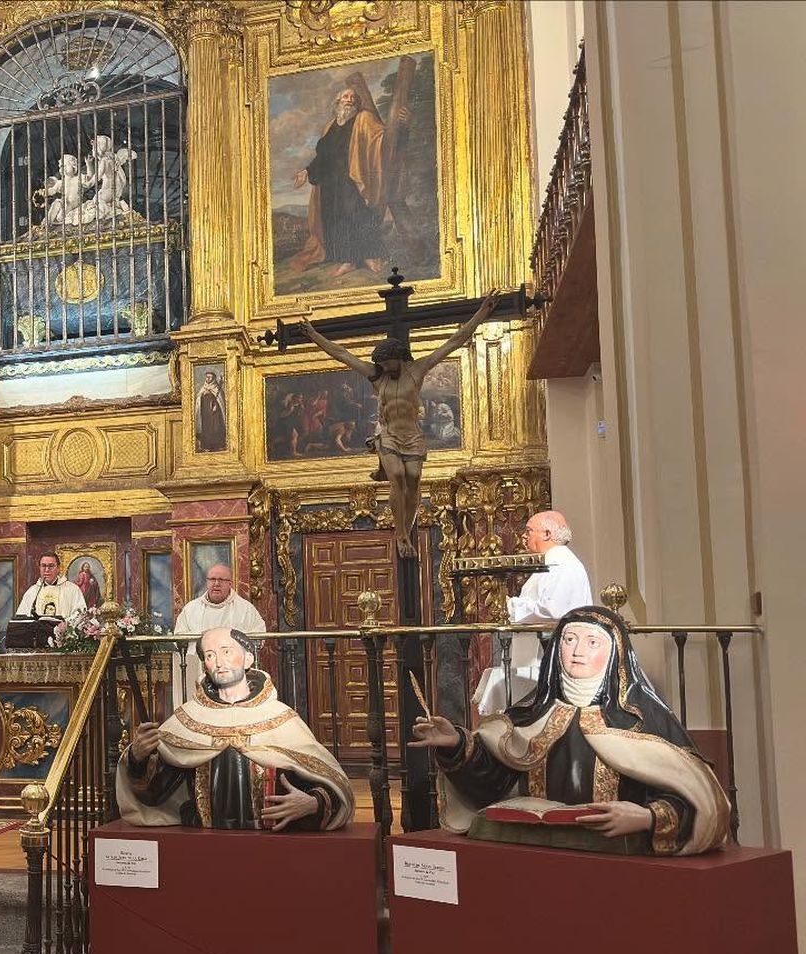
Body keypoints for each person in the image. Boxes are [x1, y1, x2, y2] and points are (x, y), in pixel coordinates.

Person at [411, 607, 730, 856]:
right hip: (532, 856)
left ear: (615, 654)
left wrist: (647, 817)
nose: (578, 651)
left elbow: (701, 801)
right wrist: (455, 744)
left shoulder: (645, 723)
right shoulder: (529, 716)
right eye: (569, 640)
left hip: (618, 863)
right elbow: (491, 783)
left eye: (593, 643)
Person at [301, 292, 496, 559]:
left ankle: (407, 526)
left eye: (387, 362)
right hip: (389, 435)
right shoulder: (377, 377)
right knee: (399, 478)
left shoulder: (417, 370)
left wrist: (482, 313)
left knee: (414, 481)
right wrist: (313, 334)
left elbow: (454, 341)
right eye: (380, 362)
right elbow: (341, 354)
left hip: (412, 436)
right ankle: (401, 534)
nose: (383, 366)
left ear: (399, 357)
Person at [117, 628, 353, 831]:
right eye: (210, 655)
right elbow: (154, 792)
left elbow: (329, 782)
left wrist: (313, 803)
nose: (219, 662)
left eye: (226, 651)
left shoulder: (281, 718)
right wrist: (138, 757)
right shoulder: (186, 720)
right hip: (204, 844)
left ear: (248, 659)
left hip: (272, 845)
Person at [473, 510, 593, 715]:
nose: (524, 536)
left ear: (547, 534)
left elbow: (553, 609)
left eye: (529, 531)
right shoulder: (551, 562)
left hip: (549, 652)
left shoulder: (562, 564)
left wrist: (510, 607)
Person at [290, 78, 388, 277]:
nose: (349, 100)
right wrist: (306, 171)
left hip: (352, 178)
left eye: (353, 97)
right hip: (330, 183)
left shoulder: (363, 118)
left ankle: (370, 255)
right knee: (335, 219)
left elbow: (381, 137)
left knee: (358, 214)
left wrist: (398, 126)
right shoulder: (330, 126)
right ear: (338, 102)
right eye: (345, 96)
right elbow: (323, 156)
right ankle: (347, 260)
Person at [172, 564, 268, 705]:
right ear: (207, 582)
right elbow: (178, 638)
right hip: (198, 669)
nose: (216, 584)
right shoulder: (191, 609)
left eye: (221, 580)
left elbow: (259, 637)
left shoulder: (245, 609)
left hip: (234, 675)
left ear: (230, 583)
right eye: (212, 579)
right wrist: (201, 638)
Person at [15, 553, 83, 622]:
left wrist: (63, 625)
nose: (47, 570)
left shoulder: (72, 590)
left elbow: (80, 615)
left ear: (58, 568)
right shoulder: (32, 592)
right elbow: (21, 618)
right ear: (39, 568)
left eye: (51, 566)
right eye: (43, 566)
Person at [195, 371, 227, 452]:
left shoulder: (216, 388)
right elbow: (198, 400)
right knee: (206, 429)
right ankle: (206, 446)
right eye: (207, 377)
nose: (208, 379)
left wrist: (216, 406)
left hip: (215, 413)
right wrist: (202, 395)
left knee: (216, 428)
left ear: (213, 378)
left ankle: (218, 445)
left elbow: (220, 400)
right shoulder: (203, 388)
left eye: (210, 377)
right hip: (205, 413)